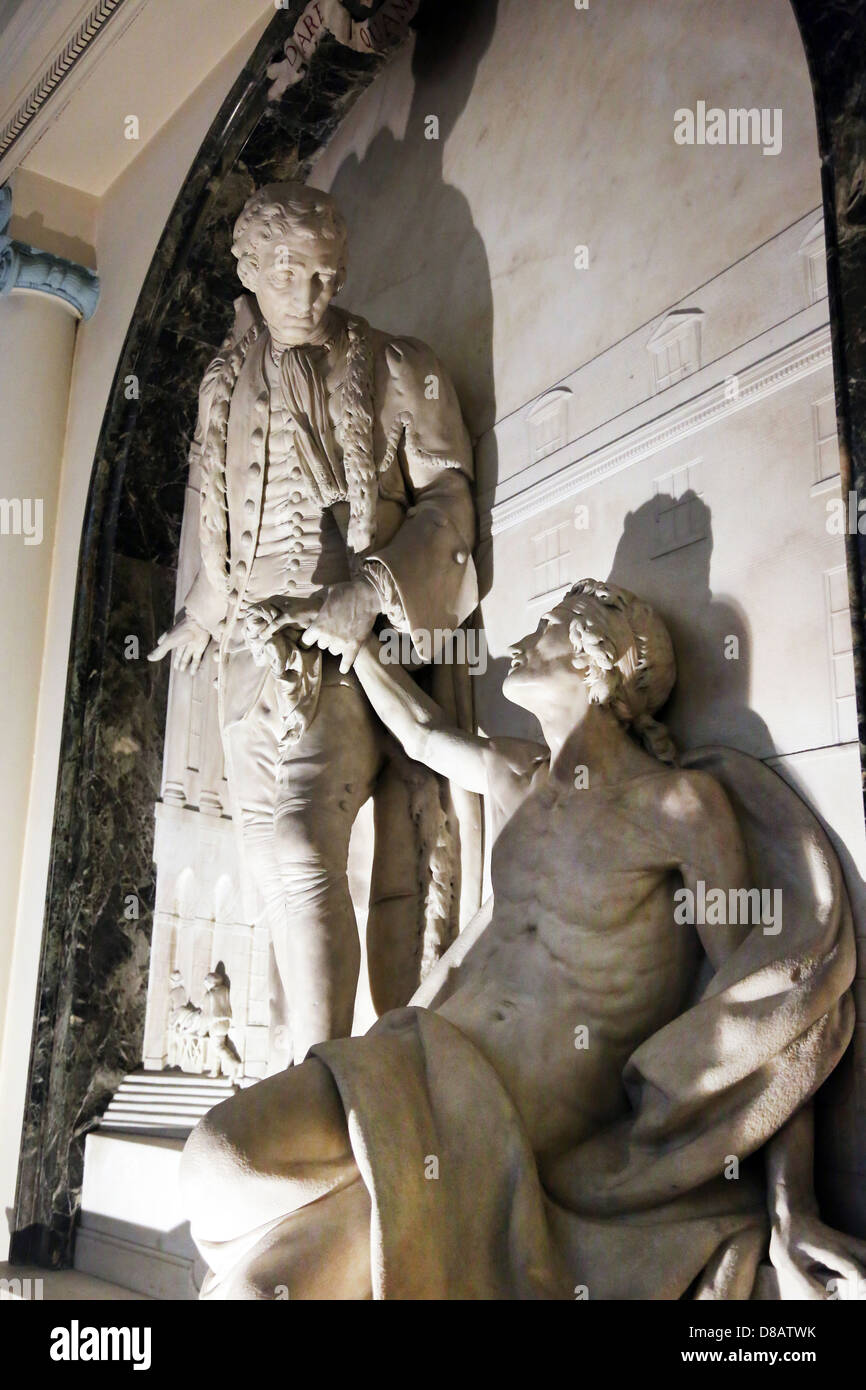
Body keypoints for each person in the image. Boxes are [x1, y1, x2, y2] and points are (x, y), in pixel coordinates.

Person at [181, 579, 863, 1299]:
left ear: (596, 654)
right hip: (415, 1056)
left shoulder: (677, 807)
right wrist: (355, 647)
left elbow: (760, 1016)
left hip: (507, 1119)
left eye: (542, 627)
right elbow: (420, 733)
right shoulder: (517, 776)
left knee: (260, 1288)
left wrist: (795, 1203)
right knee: (211, 1162)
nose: (516, 642)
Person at [149, 183, 477, 1063]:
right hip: (243, 665)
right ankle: (302, 1061)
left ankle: (324, 1083)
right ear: (249, 269)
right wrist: (199, 614)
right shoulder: (222, 385)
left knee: (299, 849)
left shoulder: (400, 366)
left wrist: (368, 589)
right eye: (290, 274)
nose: (310, 294)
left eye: (327, 276)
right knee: (266, 865)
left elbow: (447, 502)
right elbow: (218, 515)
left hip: (342, 654)